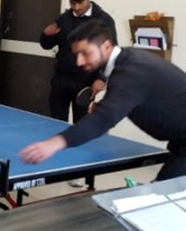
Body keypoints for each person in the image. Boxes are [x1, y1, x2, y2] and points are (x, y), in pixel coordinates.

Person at [20, 19, 186, 181]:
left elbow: (103, 119)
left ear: (106, 46)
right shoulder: (126, 62)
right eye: (77, 54)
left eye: (85, 53)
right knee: (162, 194)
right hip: (180, 141)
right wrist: (109, 105)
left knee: (160, 198)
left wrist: (55, 143)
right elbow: (130, 100)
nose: (79, 61)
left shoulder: (131, 71)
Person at [40, 0, 117, 123]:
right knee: (55, 123)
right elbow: (46, 45)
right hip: (61, 80)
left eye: (80, 3)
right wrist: (46, 34)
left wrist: (102, 78)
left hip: (86, 82)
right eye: (72, 3)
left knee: (82, 126)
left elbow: (112, 53)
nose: (76, 7)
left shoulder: (104, 21)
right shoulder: (64, 19)